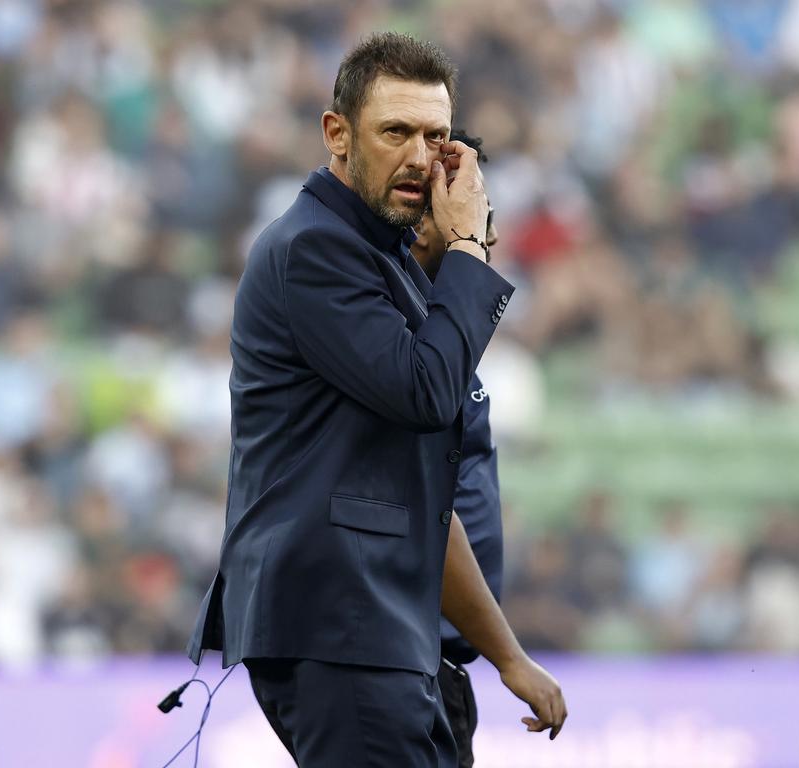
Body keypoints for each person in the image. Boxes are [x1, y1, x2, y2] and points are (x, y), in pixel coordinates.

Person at [187, 32, 566, 766]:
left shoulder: (379, 262)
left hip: (385, 634)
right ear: (337, 134)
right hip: (345, 626)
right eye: (395, 132)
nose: (421, 157)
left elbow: (419, 499)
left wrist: (501, 653)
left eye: (436, 137)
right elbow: (425, 391)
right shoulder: (317, 249)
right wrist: (467, 253)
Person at [410, 129, 501, 768]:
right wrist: (513, 659)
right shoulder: (401, 350)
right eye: (467, 209)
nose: (485, 231)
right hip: (410, 662)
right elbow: (430, 518)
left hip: (440, 667)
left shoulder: (446, 345)